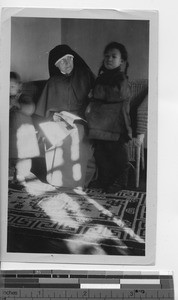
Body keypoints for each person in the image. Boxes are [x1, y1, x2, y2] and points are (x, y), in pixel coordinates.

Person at [34, 44, 95, 188]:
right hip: (59, 120)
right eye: (62, 61)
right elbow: (42, 112)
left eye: (69, 58)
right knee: (53, 131)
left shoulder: (85, 75)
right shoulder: (52, 83)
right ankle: (57, 179)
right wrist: (52, 118)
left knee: (77, 132)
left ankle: (77, 181)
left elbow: (97, 100)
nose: (67, 63)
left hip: (83, 119)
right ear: (56, 65)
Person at [85, 42, 132, 193]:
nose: (109, 59)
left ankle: (120, 180)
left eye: (114, 56)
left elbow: (119, 94)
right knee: (101, 154)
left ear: (122, 61)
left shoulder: (121, 78)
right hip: (100, 125)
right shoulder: (101, 77)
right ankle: (104, 179)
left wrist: (96, 92)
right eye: (107, 56)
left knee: (116, 154)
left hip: (115, 124)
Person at [9, 71, 40, 185]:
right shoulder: (5, 98)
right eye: (6, 86)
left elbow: (30, 109)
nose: (9, 89)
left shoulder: (24, 97)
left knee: (24, 157)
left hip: (24, 134)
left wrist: (18, 105)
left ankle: (22, 175)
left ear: (19, 86)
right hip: (12, 134)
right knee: (11, 156)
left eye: (12, 86)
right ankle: (11, 175)